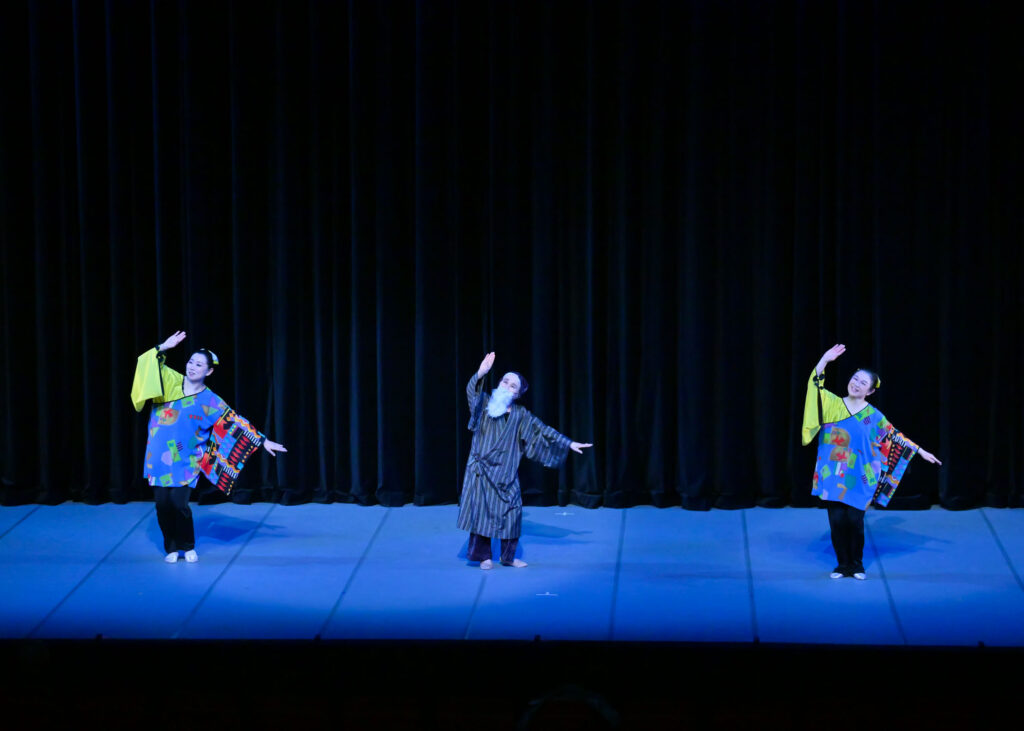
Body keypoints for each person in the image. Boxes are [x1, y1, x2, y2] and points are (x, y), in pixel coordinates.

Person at [131, 330, 287, 563]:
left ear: (209, 371)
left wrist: (263, 440)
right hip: (158, 456)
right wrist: (163, 347)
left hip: (186, 459)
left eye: (199, 365)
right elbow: (147, 365)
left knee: (179, 504)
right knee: (162, 505)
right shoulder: (169, 381)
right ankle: (171, 547)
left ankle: (187, 545)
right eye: (191, 362)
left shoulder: (210, 400)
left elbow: (235, 421)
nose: (192, 367)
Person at [802, 343, 941, 580]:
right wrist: (824, 360)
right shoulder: (832, 404)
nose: (856, 384)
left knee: (854, 521)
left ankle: (856, 565)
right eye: (855, 379)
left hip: (860, 475)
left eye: (863, 383)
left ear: (870, 391)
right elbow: (815, 385)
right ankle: (842, 565)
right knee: (837, 521)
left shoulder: (873, 416)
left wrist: (920, 451)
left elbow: (894, 435)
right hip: (833, 473)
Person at [457, 352, 592, 569]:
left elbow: (542, 429)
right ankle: (484, 557)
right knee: (482, 513)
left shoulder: (521, 415)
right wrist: (481, 373)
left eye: (512, 386)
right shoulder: (484, 404)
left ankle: (508, 557)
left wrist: (568, 443)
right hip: (481, 473)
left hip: (506, 472)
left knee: (513, 512)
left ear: (517, 394)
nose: (506, 386)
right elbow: (471, 392)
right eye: (505, 381)